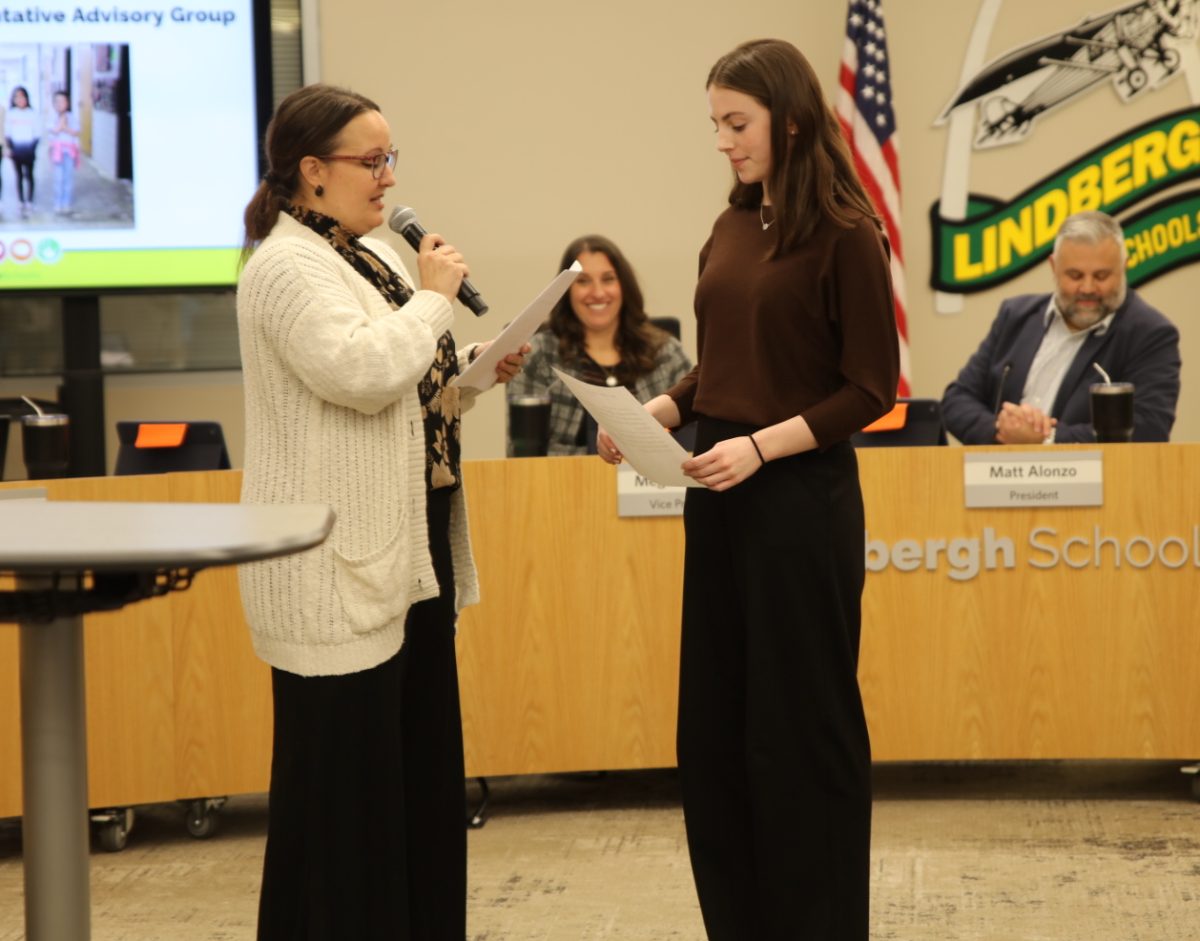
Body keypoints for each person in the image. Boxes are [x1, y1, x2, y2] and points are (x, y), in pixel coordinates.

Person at [599, 39, 898, 940]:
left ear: (791, 120)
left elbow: (870, 387)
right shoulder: (730, 226)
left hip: (799, 501)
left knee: (799, 733)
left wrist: (763, 448)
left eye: (738, 123)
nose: (723, 141)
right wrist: (660, 404)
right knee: (717, 731)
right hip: (719, 495)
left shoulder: (846, 231)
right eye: (716, 124)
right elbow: (724, 366)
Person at [236, 83, 524, 940]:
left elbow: (407, 385)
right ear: (312, 172)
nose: (389, 177)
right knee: (346, 806)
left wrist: (474, 363)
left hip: (411, 550)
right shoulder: (283, 268)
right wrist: (436, 300)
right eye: (373, 160)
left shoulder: (378, 256)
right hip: (332, 566)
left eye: (392, 157)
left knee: (419, 780)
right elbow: (359, 373)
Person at [941, 211, 1181, 444]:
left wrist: (1046, 439)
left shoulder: (1151, 334)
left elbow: (1149, 429)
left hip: (1094, 483)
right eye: (1075, 275)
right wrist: (1003, 429)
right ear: (1054, 267)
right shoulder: (1015, 316)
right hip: (998, 478)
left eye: (1101, 276)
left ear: (1124, 267)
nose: (1088, 288)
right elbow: (956, 401)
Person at [505, 234, 692, 455]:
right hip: (565, 485)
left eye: (608, 279)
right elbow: (525, 453)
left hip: (652, 485)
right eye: (583, 281)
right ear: (566, 290)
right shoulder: (537, 355)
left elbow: (690, 440)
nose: (598, 293)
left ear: (623, 285)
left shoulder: (667, 353)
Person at [5, 86, 38, 219]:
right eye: (17, 97)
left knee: (29, 175)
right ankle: (21, 201)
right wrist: (11, 148)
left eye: (22, 97)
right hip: (16, 149)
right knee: (18, 175)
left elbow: (37, 132)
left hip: (29, 149)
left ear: (26, 98)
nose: (20, 100)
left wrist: (33, 147)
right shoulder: (11, 113)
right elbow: (8, 132)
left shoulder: (32, 113)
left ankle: (30, 201)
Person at [47, 91, 81, 216]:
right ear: (54, 104)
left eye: (63, 101)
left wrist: (64, 127)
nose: (60, 104)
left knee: (68, 178)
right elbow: (53, 131)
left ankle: (66, 203)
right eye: (57, 101)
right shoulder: (52, 117)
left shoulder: (72, 117)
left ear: (67, 103)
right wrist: (61, 126)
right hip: (57, 152)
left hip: (70, 152)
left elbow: (76, 132)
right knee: (58, 178)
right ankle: (58, 203)